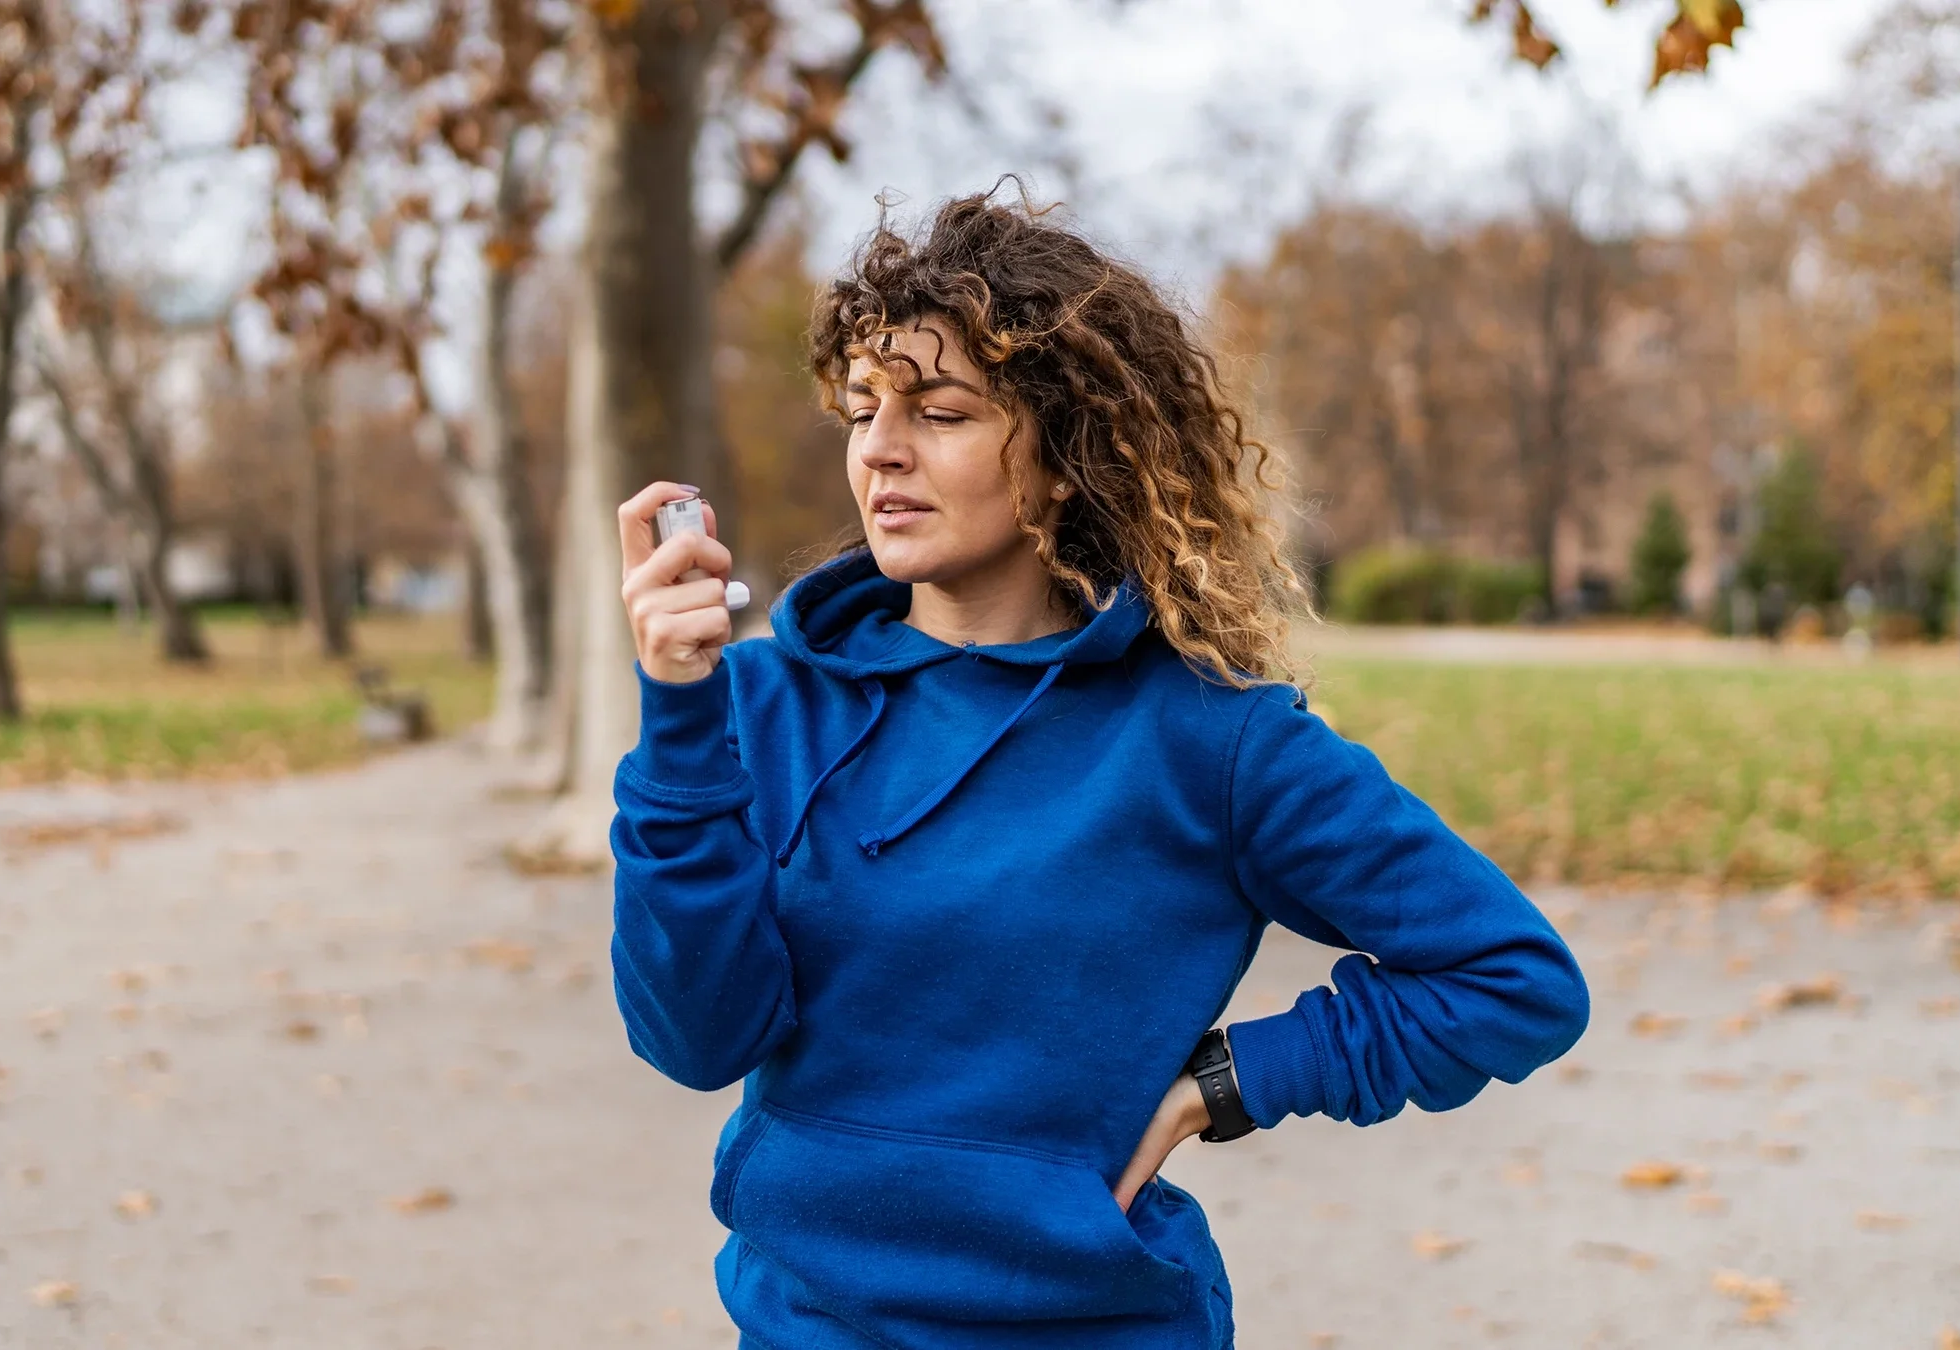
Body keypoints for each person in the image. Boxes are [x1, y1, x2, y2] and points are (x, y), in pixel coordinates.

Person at [607, 192, 1590, 1350]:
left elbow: (1514, 979)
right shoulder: (769, 699)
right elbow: (695, 1040)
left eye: (942, 410)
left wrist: (1227, 1083)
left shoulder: (1211, 739)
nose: (880, 448)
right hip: (802, 1325)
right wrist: (681, 711)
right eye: (865, 408)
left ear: (1065, 455)